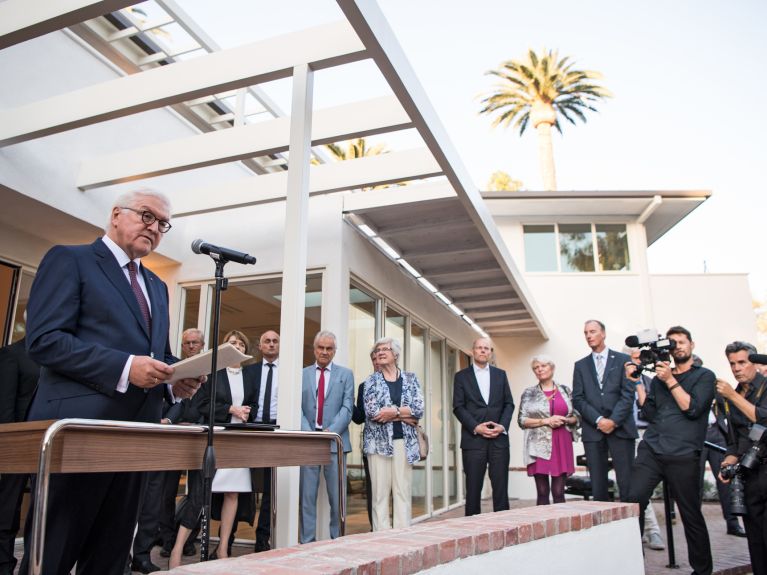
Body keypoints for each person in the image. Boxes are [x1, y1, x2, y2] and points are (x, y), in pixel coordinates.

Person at [19, 189, 202, 575]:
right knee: (51, 555)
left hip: (136, 437)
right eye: (147, 216)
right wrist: (124, 367)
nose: (154, 228)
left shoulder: (157, 286)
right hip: (79, 435)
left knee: (110, 557)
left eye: (163, 224)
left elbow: (158, 355)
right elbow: (44, 340)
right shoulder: (70, 260)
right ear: (117, 214)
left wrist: (175, 380)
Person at [627, 326, 715, 575]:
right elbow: (649, 413)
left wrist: (670, 380)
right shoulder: (658, 379)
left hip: (684, 453)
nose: (678, 346)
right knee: (633, 501)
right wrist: (638, 385)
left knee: (690, 514)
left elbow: (693, 409)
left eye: (681, 341)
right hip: (653, 449)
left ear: (692, 345)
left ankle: (702, 571)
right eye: (672, 342)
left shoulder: (704, 376)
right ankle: (634, 564)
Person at [169, 330, 258, 568]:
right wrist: (231, 409)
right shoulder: (214, 373)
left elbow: (255, 403)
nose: (237, 346)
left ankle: (222, 549)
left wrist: (248, 411)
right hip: (217, 439)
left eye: (241, 343)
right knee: (200, 495)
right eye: (232, 343)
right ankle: (177, 551)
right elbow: (203, 404)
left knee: (233, 494)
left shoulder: (249, 375)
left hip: (239, 440)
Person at [363, 337, 424, 530]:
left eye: (385, 349)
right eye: (377, 350)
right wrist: (405, 414)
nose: (380, 352)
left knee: (402, 491)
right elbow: (374, 413)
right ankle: (381, 538)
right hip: (378, 445)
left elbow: (418, 409)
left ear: (395, 354)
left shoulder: (411, 378)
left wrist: (394, 412)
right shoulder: (370, 381)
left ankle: (402, 535)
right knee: (380, 494)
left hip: (404, 443)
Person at [572, 319, 637, 501]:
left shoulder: (624, 359)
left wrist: (613, 421)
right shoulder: (580, 365)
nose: (588, 336)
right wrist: (599, 420)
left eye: (592, 331)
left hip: (621, 429)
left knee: (627, 484)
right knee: (598, 487)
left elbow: (628, 394)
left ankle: (632, 528)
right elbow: (578, 398)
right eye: (586, 333)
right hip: (594, 431)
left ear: (603, 333)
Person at [299, 330, 354, 543]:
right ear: (314, 349)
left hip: (335, 444)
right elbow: (297, 407)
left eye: (329, 348)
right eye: (320, 348)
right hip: (309, 444)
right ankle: (307, 542)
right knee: (307, 498)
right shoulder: (302, 374)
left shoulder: (345, 374)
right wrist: (309, 433)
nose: (324, 352)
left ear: (334, 351)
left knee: (337, 497)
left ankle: (337, 541)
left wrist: (330, 432)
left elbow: (348, 408)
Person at [717, 341, 767, 573]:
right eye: (732, 364)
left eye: (742, 362)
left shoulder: (765, 386)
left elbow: (762, 418)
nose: (737, 368)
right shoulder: (732, 396)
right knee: (755, 540)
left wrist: (731, 396)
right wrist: (729, 459)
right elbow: (733, 441)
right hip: (748, 474)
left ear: (755, 362)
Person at [453, 337, 515, 516]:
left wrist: (502, 426)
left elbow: (509, 404)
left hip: (499, 441)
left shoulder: (500, 375)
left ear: (490, 352)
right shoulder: (461, 377)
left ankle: (503, 529)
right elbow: (458, 407)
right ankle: (472, 530)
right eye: (479, 348)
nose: (482, 351)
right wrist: (475, 427)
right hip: (473, 441)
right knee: (473, 489)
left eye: (486, 348)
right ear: (473, 351)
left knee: (501, 488)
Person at [158, 328, 206, 559]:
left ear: (202, 345)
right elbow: (170, 401)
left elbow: (210, 403)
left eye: (195, 342)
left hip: (199, 436)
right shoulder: (174, 369)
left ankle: (187, 539)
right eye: (187, 343)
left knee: (198, 492)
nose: (191, 346)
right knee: (167, 491)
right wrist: (172, 420)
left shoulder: (210, 371)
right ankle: (168, 540)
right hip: (173, 435)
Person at [0, 315, 39, 575]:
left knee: (41, 510)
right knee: (7, 509)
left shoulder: (56, 359)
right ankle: (4, 565)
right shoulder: (11, 354)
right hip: (17, 444)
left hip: (47, 445)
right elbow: (5, 407)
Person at [518, 355, 579, 505]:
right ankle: (542, 525)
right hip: (538, 443)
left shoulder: (565, 390)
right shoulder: (529, 393)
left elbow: (577, 417)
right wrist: (545, 421)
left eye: (543, 366)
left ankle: (561, 527)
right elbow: (521, 420)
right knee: (542, 492)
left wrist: (565, 419)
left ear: (552, 368)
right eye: (536, 368)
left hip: (561, 442)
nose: (539, 369)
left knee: (559, 492)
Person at [623, 345, 666, 551]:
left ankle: (652, 531)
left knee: (641, 488)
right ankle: (634, 534)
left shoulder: (649, 381)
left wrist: (638, 382)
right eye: (634, 358)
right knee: (632, 489)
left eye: (641, 358)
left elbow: (648, 409)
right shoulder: (620, 379)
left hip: (644, 435)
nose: (639, 361)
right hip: (622, 434)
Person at [252, 330, 280, 552]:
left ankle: (263, 538)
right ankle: (228, 536)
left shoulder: (289, 372)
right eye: (267, 341)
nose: (271, 344)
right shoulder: (249, 372)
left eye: (275, 341)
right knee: (243, 486)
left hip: (276, 430)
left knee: (271, 487)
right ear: (260, 346)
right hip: (252, 429)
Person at [352, 351, 379, 529]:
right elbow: (360, 417)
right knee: (374, 491)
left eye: (381, 357)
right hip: (372, 446)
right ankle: (375, 527)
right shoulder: (365, 386)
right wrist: (347, 400)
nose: (377, 362)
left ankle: (399, 529)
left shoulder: (402, 382)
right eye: (374, 359)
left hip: (397, 445)